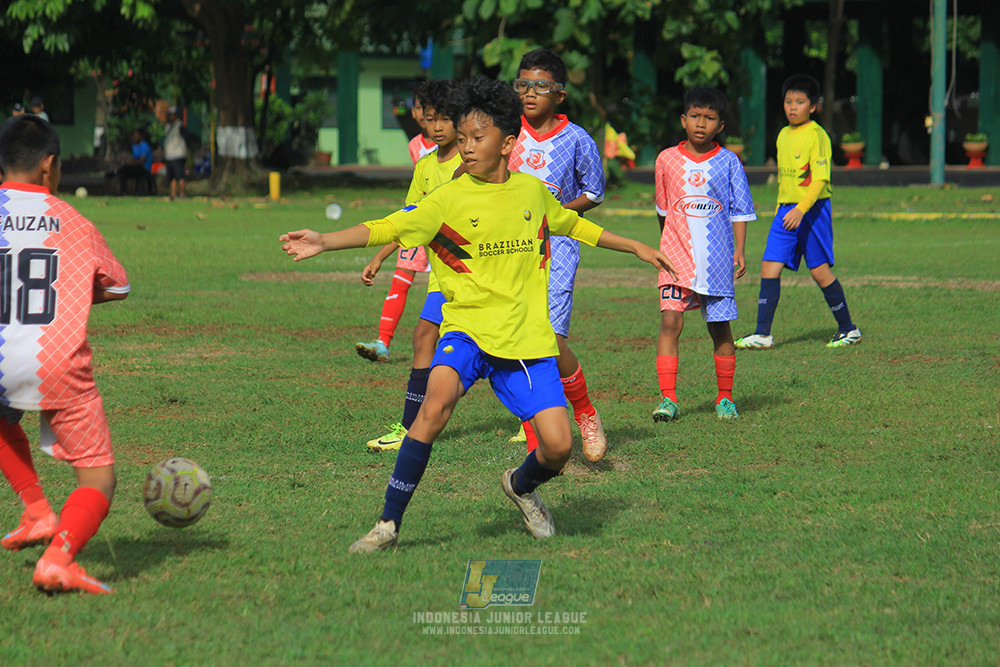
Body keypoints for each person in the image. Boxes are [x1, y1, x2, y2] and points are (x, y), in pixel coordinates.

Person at [280, 76, 676, 553]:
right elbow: (391, 225)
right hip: (465, 330)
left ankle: (521, 485)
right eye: (462, 138)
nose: (466, 148)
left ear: (508, 143)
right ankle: (387, 523)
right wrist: (325, 241)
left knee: (558, 448)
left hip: (525, 340)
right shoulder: (447, 198)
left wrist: (634, 245)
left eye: (477, 138)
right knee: (434, 408)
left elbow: (572, 224)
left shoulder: (531, 193)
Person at [0, 114, 130, 594]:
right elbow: (118, 286)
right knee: (98, 481)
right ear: (49, 165)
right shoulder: (74, 220)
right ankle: (59, 555)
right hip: (56, 361)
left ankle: (37, 511)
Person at [507, 48, 609, 461]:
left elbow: (595, 191)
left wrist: (559, 215)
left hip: (558, 246)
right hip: (508, 249)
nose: (530, 94)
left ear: (560, 95)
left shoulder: (577, 139)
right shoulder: (504, 132)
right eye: (523, 85)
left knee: (551, 336)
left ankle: (584, 413)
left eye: (541, 86)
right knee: (516, 336)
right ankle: (536, 430)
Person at [359, 79, 463, 451]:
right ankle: (408, 427)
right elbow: (407, 217)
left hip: (478, 277)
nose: (437, 127)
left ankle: (535, 422)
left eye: (446, 119)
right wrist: (380, 255)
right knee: (424, 336)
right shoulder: (425, 166)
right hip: (444, 276)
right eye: (431, 119)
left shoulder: (472, 164)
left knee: (496, 352)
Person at [652, 87, 756, 422]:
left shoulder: (728, 161)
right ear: (683, 120)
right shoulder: (666, 159)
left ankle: (725, 398)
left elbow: (739, 210)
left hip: (716, 258)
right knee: (670, 321)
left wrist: (739, 250)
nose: (701, 123)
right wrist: (667, 243)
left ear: (720, 125)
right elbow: (663, 210)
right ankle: (668, 399)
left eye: (709, 118)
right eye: (695, 116)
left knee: (720, 327)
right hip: (675, 256)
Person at [735, 74, 861, 350]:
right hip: (785, 211)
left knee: (819, 271)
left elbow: (820, 179)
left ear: (813, 106)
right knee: (769, 266)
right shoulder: (782, 135)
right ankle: (763, 334)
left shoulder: (818, 136)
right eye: (788, 101)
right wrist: (785, 207)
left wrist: (802, 209)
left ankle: (848, 329)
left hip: (812, 211)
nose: (793, 107)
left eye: (800, 102)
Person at [355, 81, 438, 365]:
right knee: (401, 279)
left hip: (447, 225)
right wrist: (380, 256)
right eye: (419, 109)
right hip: (419, 220)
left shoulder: (455, 145)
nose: (423, 116)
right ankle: (382, 343)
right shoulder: (416, 145)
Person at [117, 129, 154, 195]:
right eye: (134, 136)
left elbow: (141, 160)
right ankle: (123, 192)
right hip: (136, 167)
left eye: (136, 135)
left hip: (145, 169)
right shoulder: (134, 145)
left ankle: (142, 191)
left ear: (141, 136)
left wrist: (131, 163)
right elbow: (134, 158)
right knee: (122, 171)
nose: (135, 137)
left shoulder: (144, 146)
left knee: (126, 168)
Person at [162, 107, 188, 199]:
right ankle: (173, 193)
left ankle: (182, 193)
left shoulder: (180, 126)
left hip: (178, 154)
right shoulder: (168, 126)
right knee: (171, 175)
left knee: (180, 175)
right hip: (169, 154)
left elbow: (187, 138)